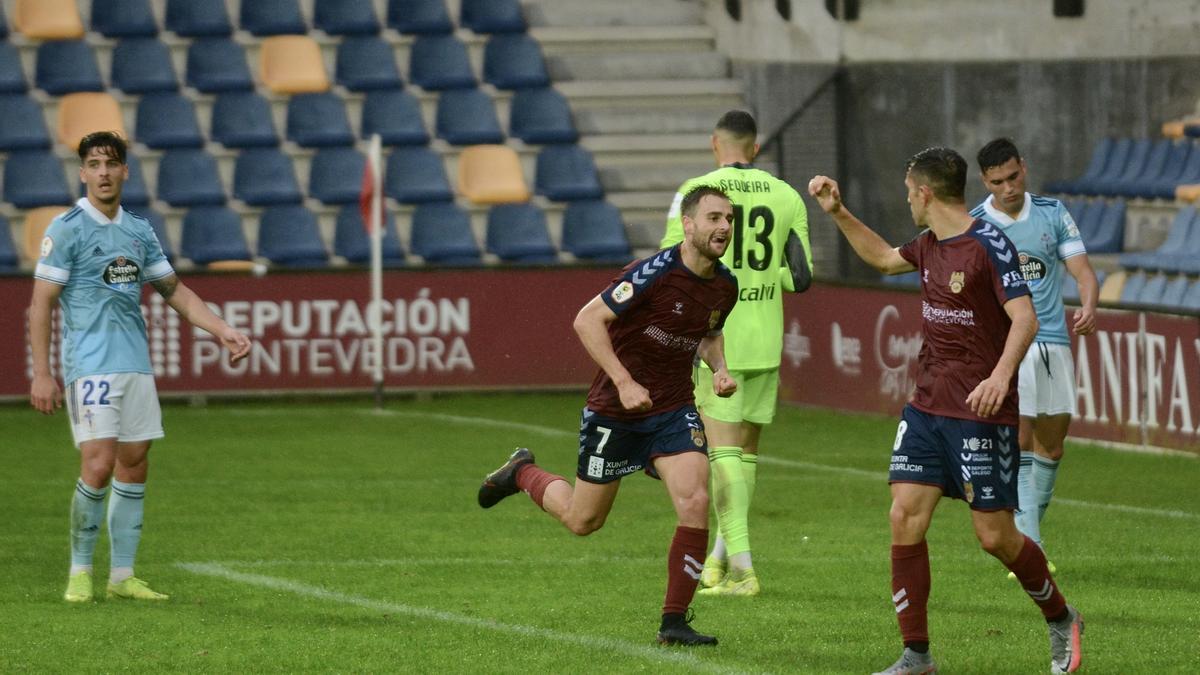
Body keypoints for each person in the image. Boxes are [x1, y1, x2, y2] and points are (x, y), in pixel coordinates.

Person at [808, 147, 1084, 674]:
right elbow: (886, 259)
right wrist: (838, 213)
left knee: (995, 536)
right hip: (927, 406)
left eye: (909, 190)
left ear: (925, 193)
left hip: (981, 412)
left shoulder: (988, 245)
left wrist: (1000, 377)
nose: (907, 198)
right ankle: (917, 655)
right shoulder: (930, 244)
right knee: (904, 515)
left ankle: (1061, 616)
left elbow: (1024, 319)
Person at [477, 186, 740, 646]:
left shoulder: (725, 285)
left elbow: (709, 333)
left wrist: (720, 369)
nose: (724, 227)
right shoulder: (653, 273)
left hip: (674, 407)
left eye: (729, 219)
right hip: (615, 410)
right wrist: (623, 380)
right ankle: (522, 472)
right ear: (689, 224)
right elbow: (587, 320)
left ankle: (673, 623)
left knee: (697, 499)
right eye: (714, 218)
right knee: (584, 521)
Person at [29, 131, 251, 603]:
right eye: (95, 164)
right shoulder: (66, 228)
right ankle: (80, 570)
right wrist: (42, 372)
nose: (104, 172)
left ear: (125, 171)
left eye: (112, 163)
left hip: (136, 366)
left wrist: (222, 329)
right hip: (90, 367)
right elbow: (40, 304)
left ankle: (122, 576)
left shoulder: (138, 229)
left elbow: (177, 293)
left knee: (134, 465)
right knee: (99, 464)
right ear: (83, 173)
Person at [658, 109, 812, 596]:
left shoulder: (698, 193)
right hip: (767, 338)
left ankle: (743, 568)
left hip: (717, 338)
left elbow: (671, 263)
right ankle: (717, 563)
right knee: (744, 455)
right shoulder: (787, 195)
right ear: (757, 147)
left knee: (720, 451)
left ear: (714, 143)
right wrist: (764, 277)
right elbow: (801, 276)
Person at [971, 138, 1099, 573]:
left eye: (1013, 176)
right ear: (985, 182)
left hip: (1056, 343)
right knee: (1021, 438)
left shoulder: (1052, 212)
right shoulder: (976, 225)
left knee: (1053, 447)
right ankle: (1034, 550)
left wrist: (1089, 303)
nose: (1008, 187)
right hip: (1011, 345)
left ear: (1023, 167)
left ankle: (1022, 541)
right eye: (997, 182)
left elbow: (1083, 272)